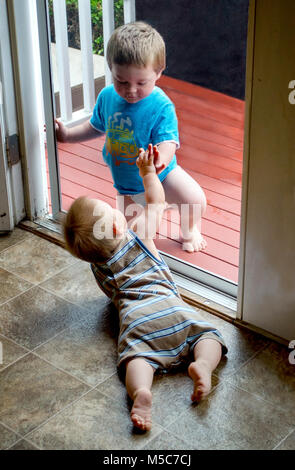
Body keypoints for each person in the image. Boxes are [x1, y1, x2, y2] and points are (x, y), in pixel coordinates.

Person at [63, 145, 227, 432]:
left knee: (134, 357)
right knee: (208, 334)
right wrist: (148, 172)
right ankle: (203, 365)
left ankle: (141, 391)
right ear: (115, 228)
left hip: (136, 320)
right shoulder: (138, 234)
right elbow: (156, 202)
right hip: (171, 306)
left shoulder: (97, 265)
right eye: (111, 210)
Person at [56, 21, 207, 252]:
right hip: (126, 185)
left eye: (141, 83)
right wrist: (67, 135)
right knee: (127, 239)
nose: (131, 90)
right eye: (122, 81)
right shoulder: (107, 97)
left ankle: (189, 229)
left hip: (162, 174)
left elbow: (168, 141)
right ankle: (157, 206)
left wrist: (159, 161)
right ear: (111, 70)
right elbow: (95, 127)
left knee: (195, 200)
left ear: (158, 72)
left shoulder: (161, 105)